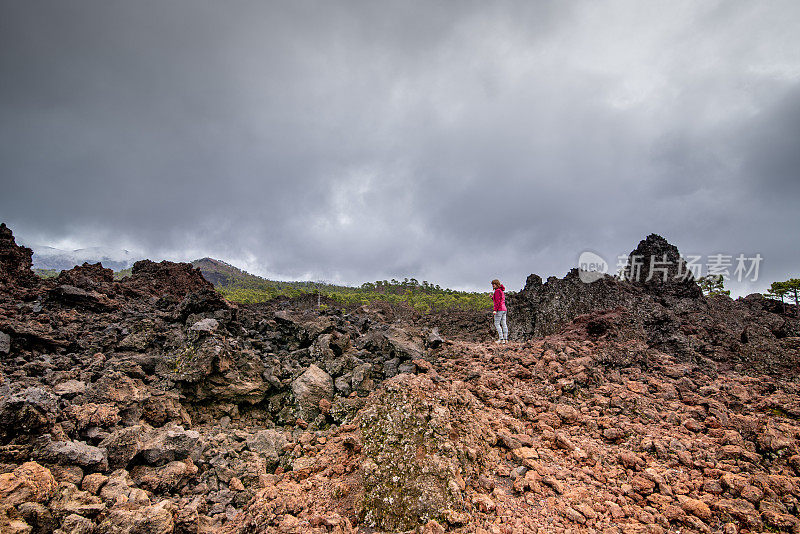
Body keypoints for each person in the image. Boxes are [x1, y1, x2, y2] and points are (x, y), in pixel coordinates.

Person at [492, 279, 508, 344]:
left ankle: (501, 339)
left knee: (497, 323)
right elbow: (498, 299)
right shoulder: (501, 290)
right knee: (504, 323)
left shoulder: (497, 291)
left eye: (494, 284)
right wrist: (492, 297)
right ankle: (506, 339)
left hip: (500, 309)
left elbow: (497, 302)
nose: (492, 286)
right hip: (504, 309)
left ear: (497, 284)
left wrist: (495, 310)